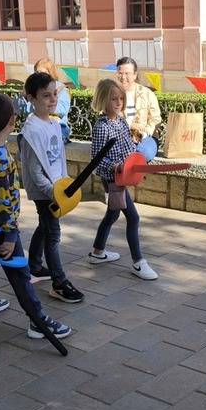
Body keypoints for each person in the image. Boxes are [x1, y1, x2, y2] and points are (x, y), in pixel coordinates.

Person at [0, 92, 72, 340]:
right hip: (1, 227)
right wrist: (9, 234)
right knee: (20, 274)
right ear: (12, 121)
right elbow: (4, 201)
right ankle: (38, 321)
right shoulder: (0, 159)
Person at [18, 71, 84, 303]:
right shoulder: (31, 131)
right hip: (45, 192)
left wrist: (65, 184)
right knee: (53, 234)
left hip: (57, 188)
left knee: (45, 227)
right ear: (31, 99)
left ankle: (35, 265)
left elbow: (59, 160)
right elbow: (36, 173)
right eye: (45, 95)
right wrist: (54, 193)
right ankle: (59, 281)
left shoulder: (54, 124)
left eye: (54, 94)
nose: (52, 99)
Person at [87, 79, 158, 281]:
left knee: (111, 216)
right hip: (113, 179)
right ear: (102, 100)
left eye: (121, 99)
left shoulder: (121, 120)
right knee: (133, 218)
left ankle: (98, 252)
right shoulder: (102, 127)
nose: (118, 103)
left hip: (124, 176)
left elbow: (128, 148)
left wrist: (137, 158)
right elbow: (97, 160)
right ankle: (138, 262)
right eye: (113, 99)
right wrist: (116, 167)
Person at [115, 57, 161, 143]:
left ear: (135, 75)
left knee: (144, 152)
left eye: (127, 73)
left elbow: (156, 118)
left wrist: (144, 133)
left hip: (146, 136)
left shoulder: (147, 93)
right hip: (120, 135)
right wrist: (130, 125)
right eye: (120, 73)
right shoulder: (111, 94)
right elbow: (107, 116)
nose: (123, 77)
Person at [32, 58, 72, 143]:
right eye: (37, 73)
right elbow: (19, 109)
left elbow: (63, 109)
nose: (40, 76)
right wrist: (25, 95)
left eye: (43, 73)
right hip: (38, 127)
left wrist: (41, 105)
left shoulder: (61, 89)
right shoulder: (34, 89)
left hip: (58, 127)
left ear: (51, 72)